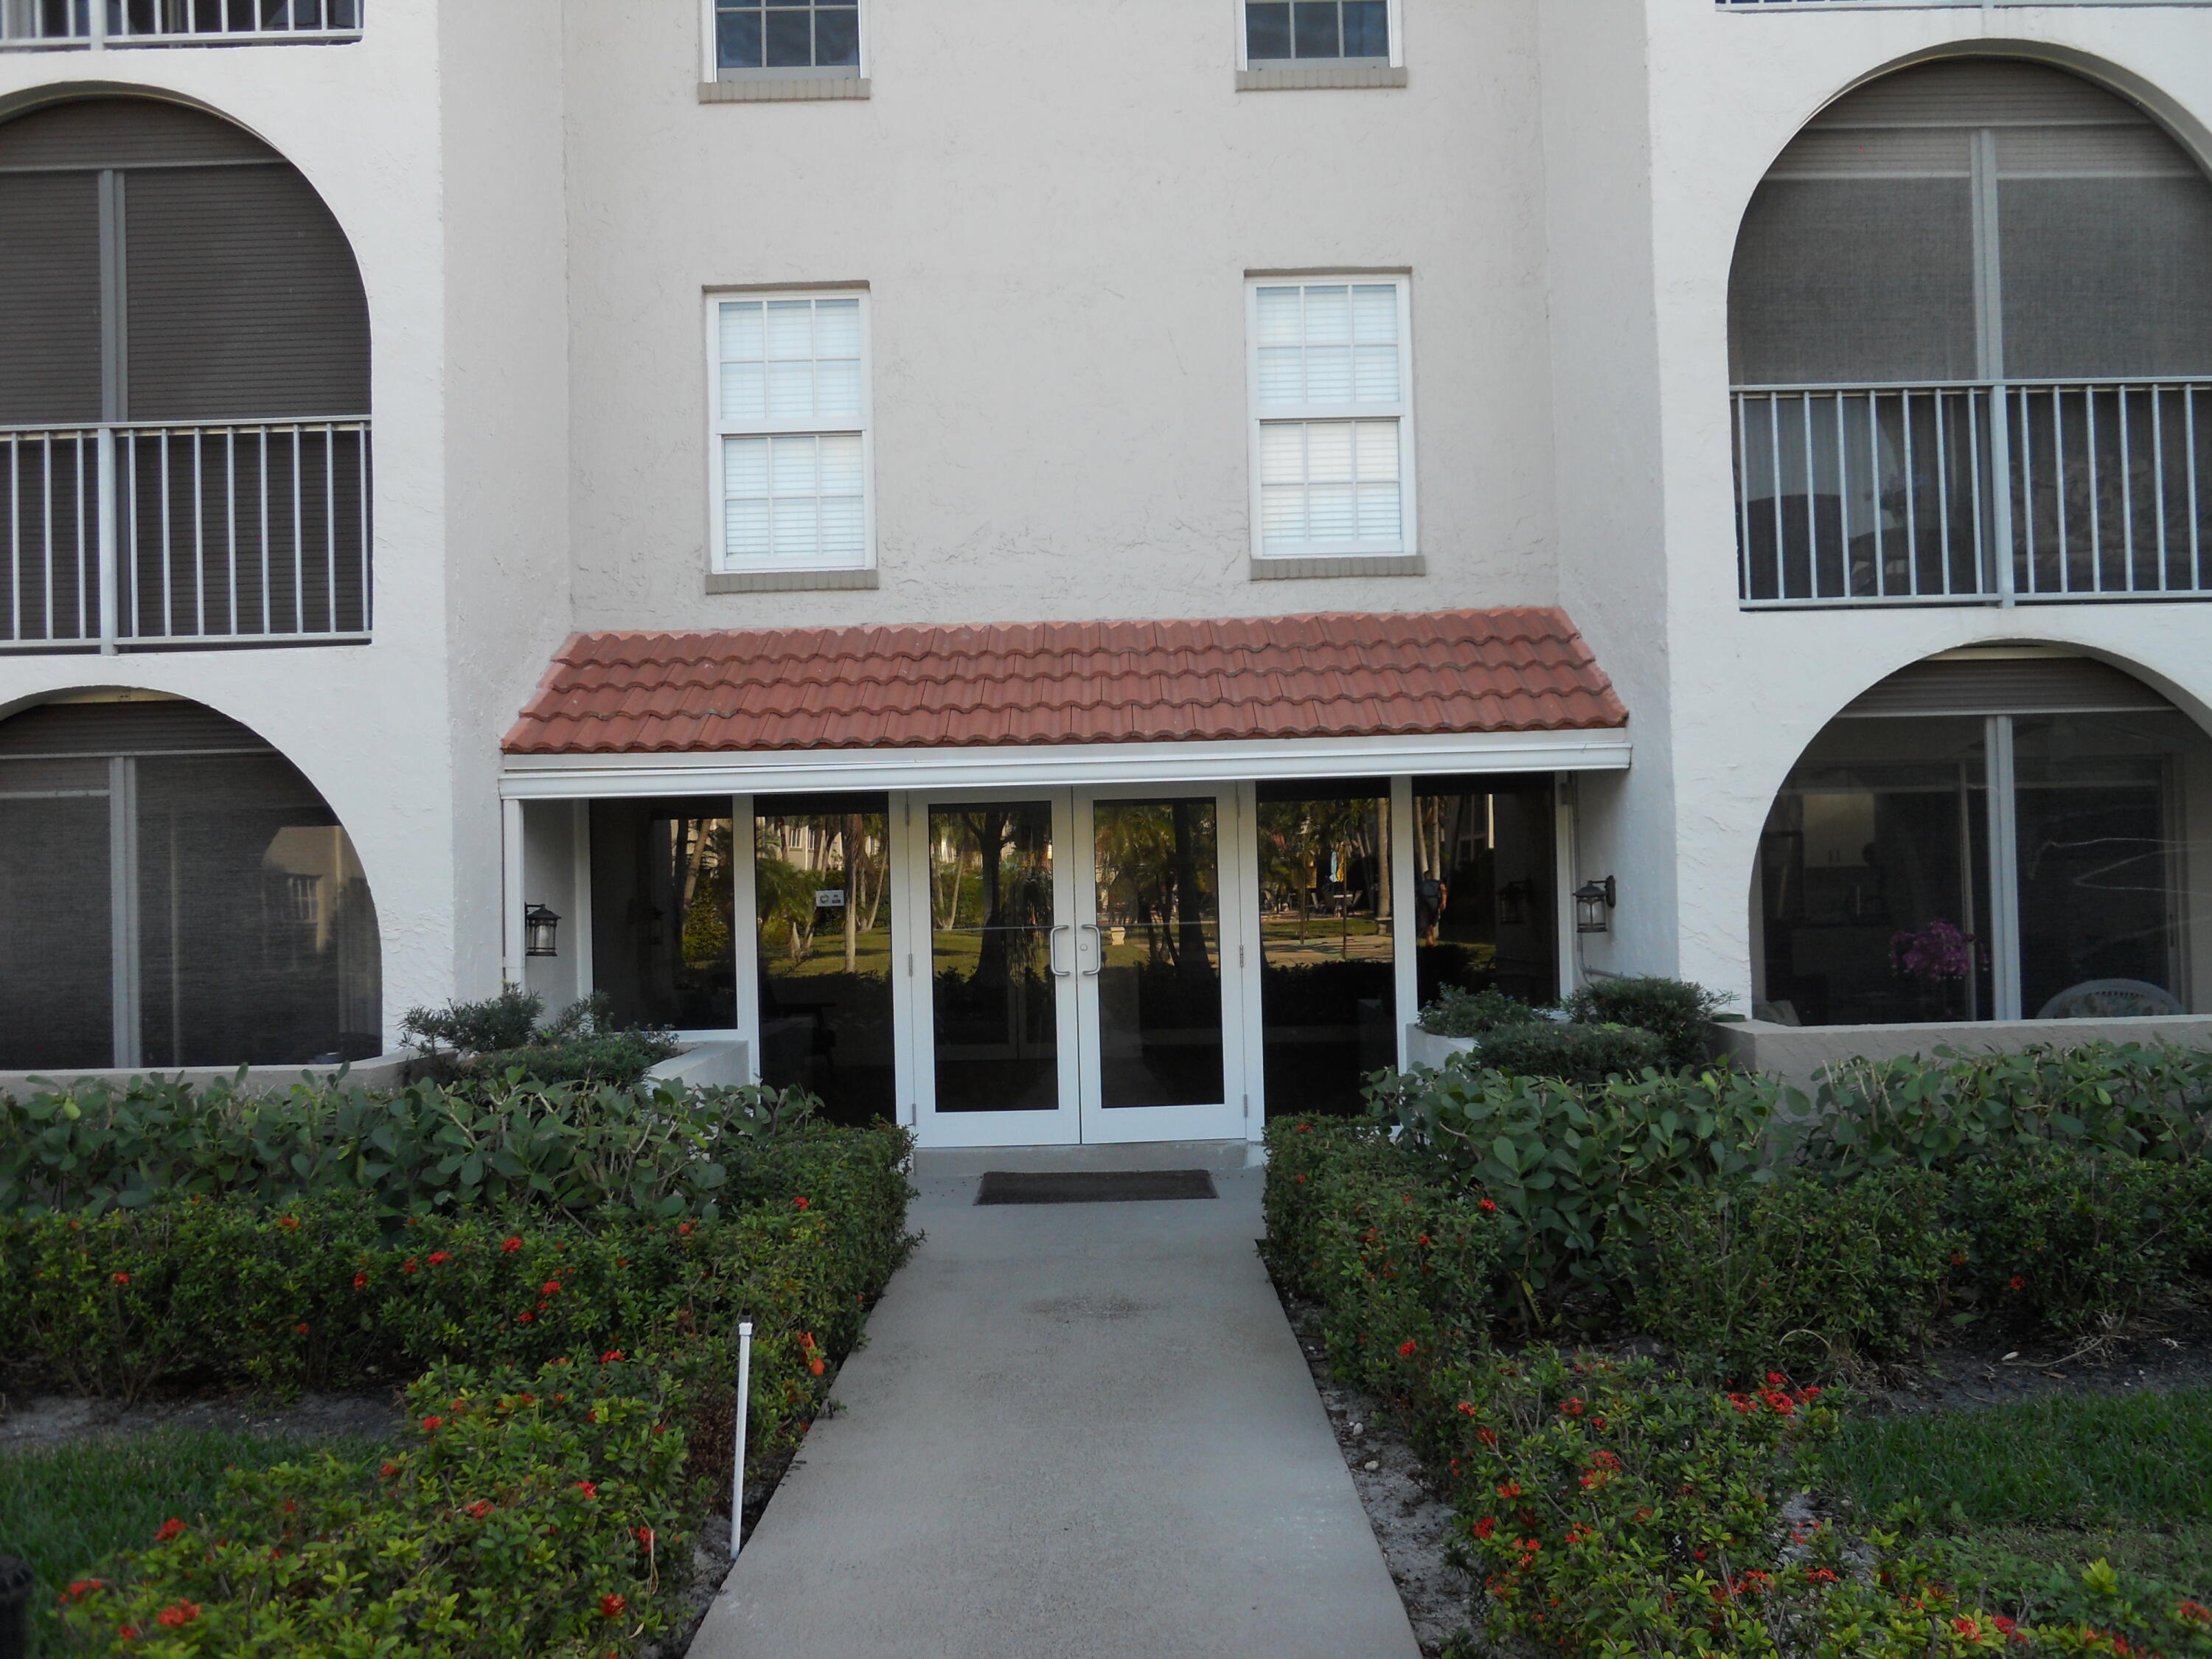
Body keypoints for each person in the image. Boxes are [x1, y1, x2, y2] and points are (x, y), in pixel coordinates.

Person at [1416, 869, 1447, 946]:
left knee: (1427, 923)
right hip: (1434, 902)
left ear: (1425, 877)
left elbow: (1417, 895)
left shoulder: (1421, 884)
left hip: (1423, 902)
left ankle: (1429, 940)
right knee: (1431, 923)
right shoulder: (1438, 882)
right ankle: (1429, 941)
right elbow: (1443, 890)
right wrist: (1444, 902)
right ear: (1432, 877)